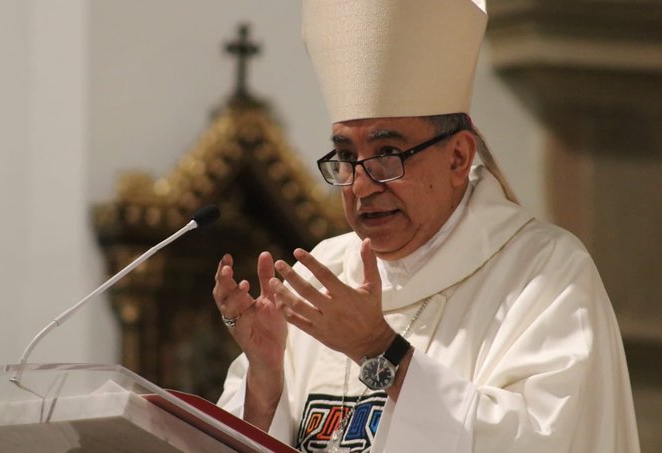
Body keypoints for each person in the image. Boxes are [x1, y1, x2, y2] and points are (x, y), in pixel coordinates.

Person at [213, 1, 640, 452]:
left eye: (387, 154)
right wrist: (265, 382)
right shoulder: (324, 273)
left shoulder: (544, 274)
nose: (360, 185)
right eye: (345, 157)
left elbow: (545, 440)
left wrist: (382, 350)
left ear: (458, 157)